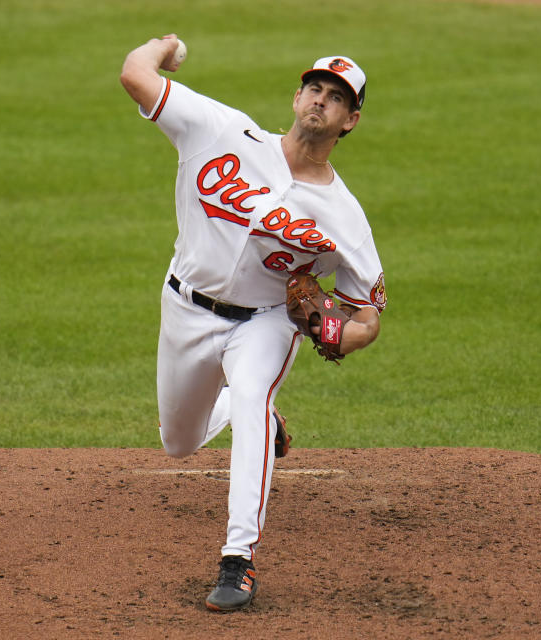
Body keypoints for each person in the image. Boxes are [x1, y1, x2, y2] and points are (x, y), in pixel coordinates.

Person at [120, 34, 387, 612]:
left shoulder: (346, 216)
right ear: (296, 97)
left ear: (350, 121)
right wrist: (161, 47)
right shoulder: (223, 131)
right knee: (178, 443)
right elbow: (135, 77)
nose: (321, 100)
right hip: (185, 308)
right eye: (315, 88)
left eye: (336, 98)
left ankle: (237, 562)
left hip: (266, 322)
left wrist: (340, 332)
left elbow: (369, 314)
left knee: (249, 398)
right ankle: (264, 422)